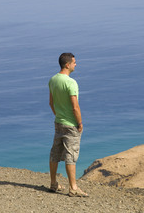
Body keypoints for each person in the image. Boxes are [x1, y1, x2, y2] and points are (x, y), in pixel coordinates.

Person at [48, 53, 88, 197]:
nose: (76, 64)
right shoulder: (71, 82)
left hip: (58, 122)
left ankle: (53, 183)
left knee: (55, 153)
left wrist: (58, 115)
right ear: (67, 65)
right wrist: (80, 123)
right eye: (74, 62)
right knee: (71, 155)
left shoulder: (53, 80)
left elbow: (51, 103)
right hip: (71, 124)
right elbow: (75, 107)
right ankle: (73, 188)